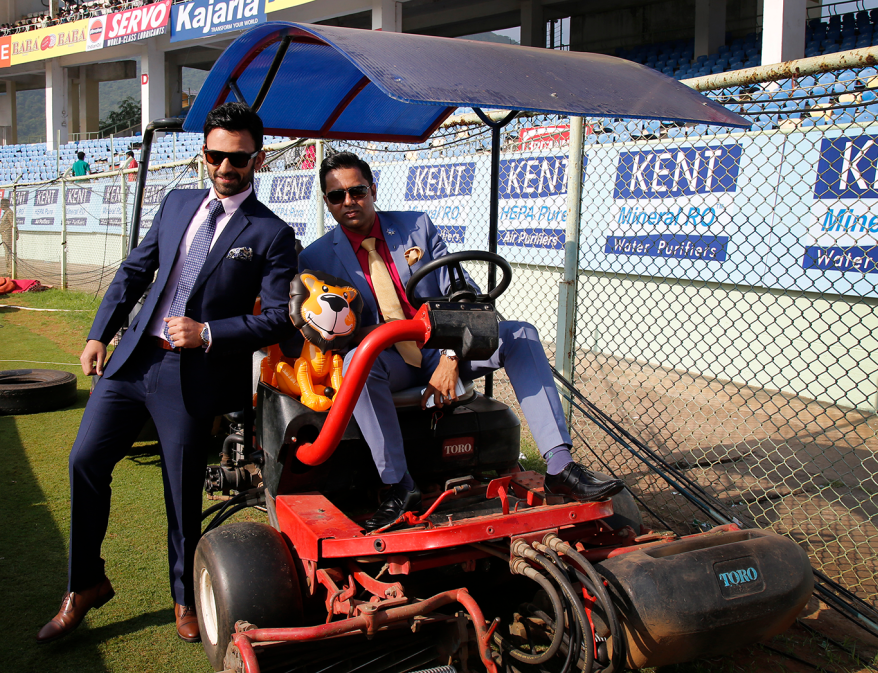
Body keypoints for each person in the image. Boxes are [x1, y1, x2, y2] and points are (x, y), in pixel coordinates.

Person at [37, 102, 298, 645]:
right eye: (216, 155)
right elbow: (136, 269)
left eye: (239, 159)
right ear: (202, 154)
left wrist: (207, 332)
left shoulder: (273, 233)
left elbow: (277, 317)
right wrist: (97, 334)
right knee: (84, 460)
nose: (226, 167)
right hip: (133, 361)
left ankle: (183, 597)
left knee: (179, 492)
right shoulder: (178, 202)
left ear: (259, 159)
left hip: (192, 373)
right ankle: (83, 585)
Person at [298, 152, 624, 531]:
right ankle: (398, 486)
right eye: (337, 196)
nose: (349, 202)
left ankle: (560, 466)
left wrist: (451, 356)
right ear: (327, 201)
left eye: (356, 191)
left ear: (373, 189)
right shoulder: (315, 257)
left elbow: (462, 292)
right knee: (358, 361)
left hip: (443, 346)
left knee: (521, 334)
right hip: (387, 360)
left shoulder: (416, 227)